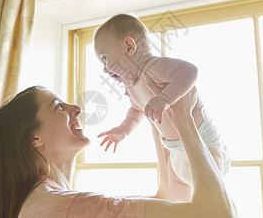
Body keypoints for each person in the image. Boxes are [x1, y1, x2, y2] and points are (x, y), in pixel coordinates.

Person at [0, 84, 236, 218]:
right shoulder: (65, 207)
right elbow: (217, 215)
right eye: (57, 106)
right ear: (35, 138)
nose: (76, 108)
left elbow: (168, 199)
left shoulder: (43, 203)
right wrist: (184, 122)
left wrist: (153, 116)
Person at [94, 13, 230, 201]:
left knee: (212, 194)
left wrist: (164, 98)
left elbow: (190, 71)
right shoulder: (132, 87)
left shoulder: (154, 66)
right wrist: (123, 130)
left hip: (205, 145)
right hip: (175, 152)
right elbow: (136, 112)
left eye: (105, 59)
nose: (104, 68)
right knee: (176, 201)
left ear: (129, 46)